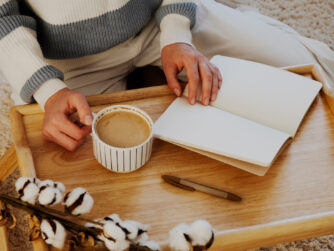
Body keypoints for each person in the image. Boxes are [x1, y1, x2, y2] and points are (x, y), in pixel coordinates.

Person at [0, 0, 333, 151]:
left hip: (156, 21)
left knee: (303, 64)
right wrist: (48, 88)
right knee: (86, 171)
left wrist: (177, 34)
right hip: (69, 62)